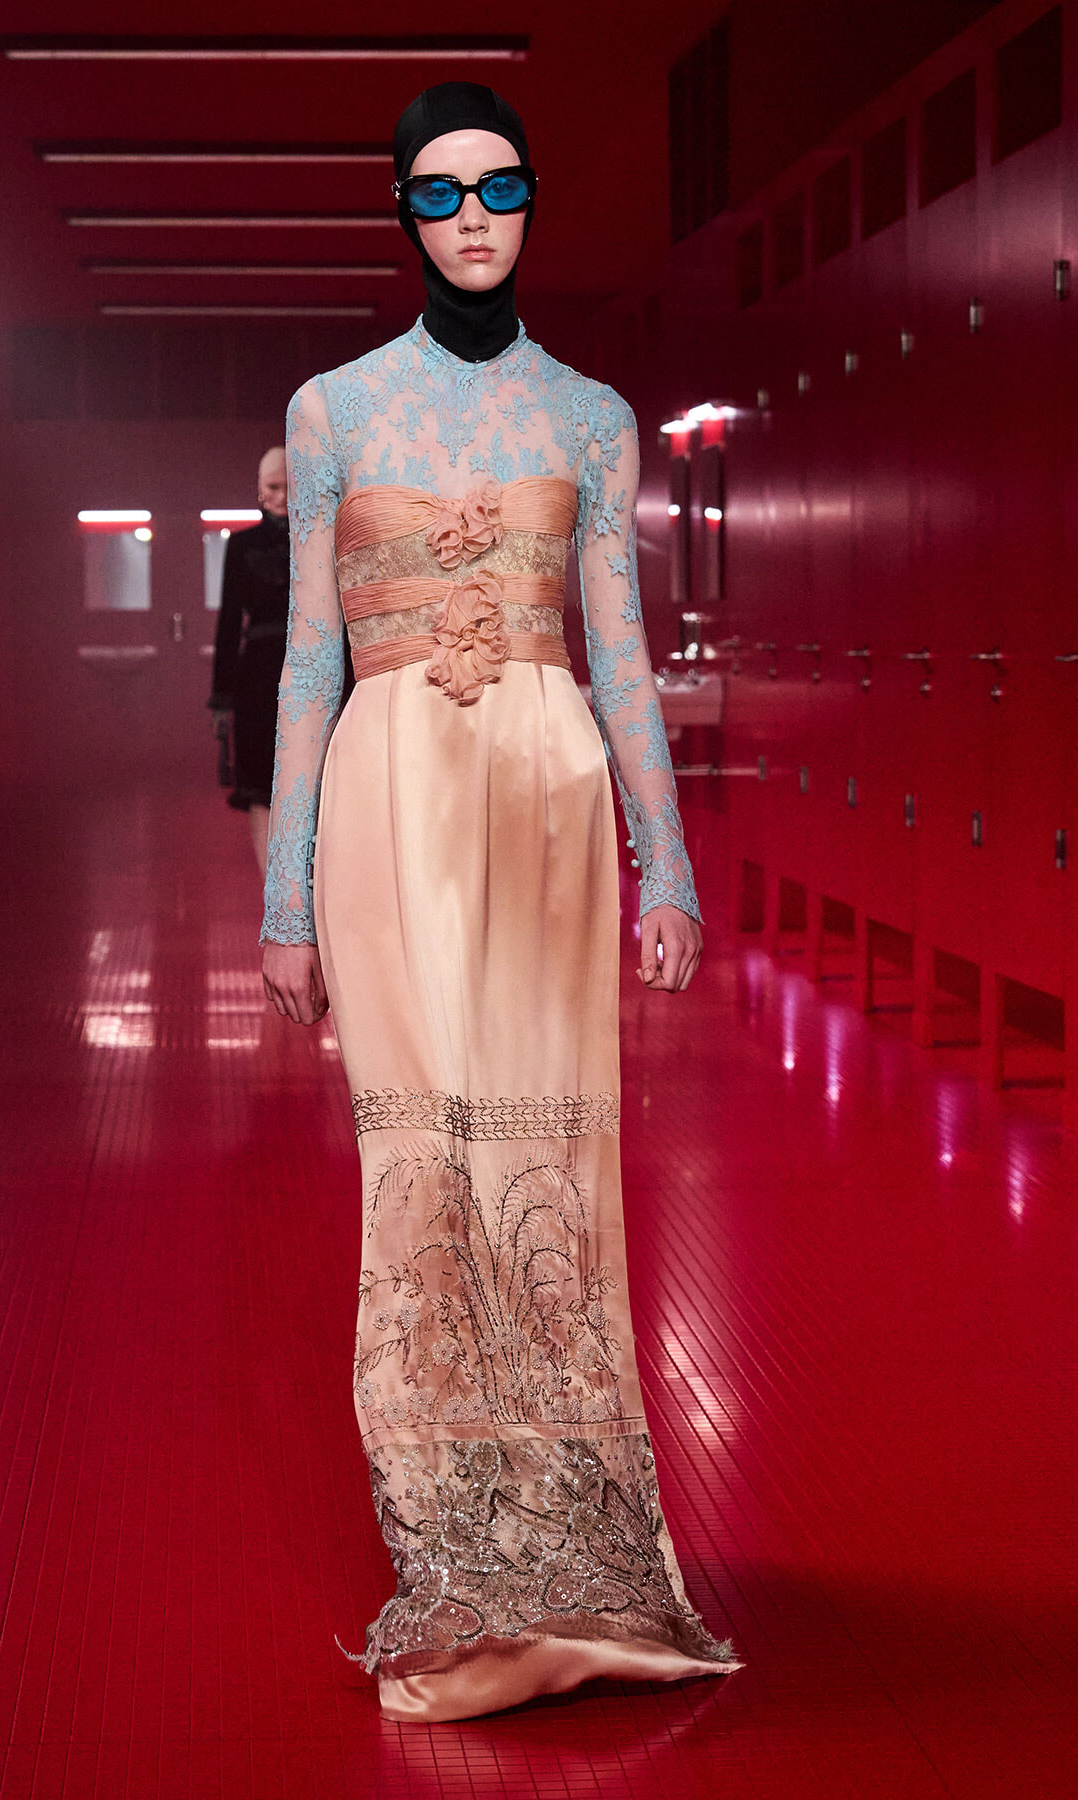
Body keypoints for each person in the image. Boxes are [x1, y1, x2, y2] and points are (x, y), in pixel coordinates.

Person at [260, 82, 740, 1722]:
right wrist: (281, 900)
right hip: (384, 801)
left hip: (542, 792)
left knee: (550, 1150)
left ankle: (572, 1566)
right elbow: (308, 666)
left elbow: (619, 656)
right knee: (422, 1157)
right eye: (437, 192)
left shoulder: (595, 419)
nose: (470, 215)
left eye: (499, 184)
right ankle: (457, 1571)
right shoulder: (331, 410)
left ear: (532, 204)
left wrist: (663, 856)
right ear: (402, 213)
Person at [208, 448, 293, 872]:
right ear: (259, 490)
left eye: (287, 486)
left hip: (308, 668)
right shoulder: (241, 546)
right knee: (259, 785)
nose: (280, 496)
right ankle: (272, 892)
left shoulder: (321, 542)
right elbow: (227, 622)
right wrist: (221, 699)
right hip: (257, 675)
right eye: (273, 487)